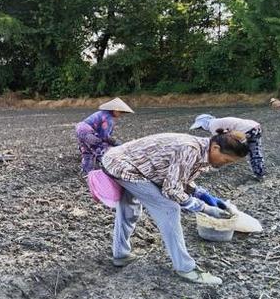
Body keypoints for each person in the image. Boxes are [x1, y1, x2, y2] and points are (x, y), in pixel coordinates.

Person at [101, 130, 249, 285]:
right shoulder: (190, 149)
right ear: (216, 148)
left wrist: (203, 195)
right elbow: (171, 189)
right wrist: (206, 208)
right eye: (226, 160)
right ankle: (186, 268)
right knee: (169, 208)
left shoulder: (200, 149)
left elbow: (180, 177)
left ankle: (121, 255)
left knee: (129, 208)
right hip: (123, 166)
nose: (224, 164)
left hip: (124, 162)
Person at [190, 114, 265, 179]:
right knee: (254, 152)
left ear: (203, 124)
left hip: (247, 130)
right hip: (255, 127)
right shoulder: (218, 122)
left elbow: (218, 144)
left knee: (229, 151)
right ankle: (260, 173)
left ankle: (219, 164)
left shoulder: (213, 125)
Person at [75, 97, 134, 174]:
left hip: (80, 129)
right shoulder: (108, 119)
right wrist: (117, 143)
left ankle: (86, 172)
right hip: (88, 132)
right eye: (120, 112)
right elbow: (104, 136)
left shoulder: (102, 113)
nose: (120, 115)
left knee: (87, 152)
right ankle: (108, 170)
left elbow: (99, 133)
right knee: (101, 149)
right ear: (115, 110)